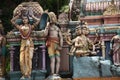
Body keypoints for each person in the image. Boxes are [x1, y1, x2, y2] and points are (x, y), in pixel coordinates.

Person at [11, 11, 40, 79]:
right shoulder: (20, 27)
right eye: (23, 19)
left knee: (28, 59)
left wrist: (32, 16)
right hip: (23, 44)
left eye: (26, 19)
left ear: (28, 20)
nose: (24, 20)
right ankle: (24, 74)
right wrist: (18, 16)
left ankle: (28, 74)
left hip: (29, 43)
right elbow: (12, 21)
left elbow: (38, 21)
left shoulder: (30, 27)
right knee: (21, 60)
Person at [44, 12, 63, 76]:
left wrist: (61, 46)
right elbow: (45, 34)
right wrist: (47, 26)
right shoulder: (48, 27)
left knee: (58, 59)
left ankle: (57, 73)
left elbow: (61, 37)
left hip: (57, 44)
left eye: (53, 17)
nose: (53, 19)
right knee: (53, 59)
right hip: (51, 44)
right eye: (51, 17)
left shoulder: (57, 28)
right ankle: (52, 73)